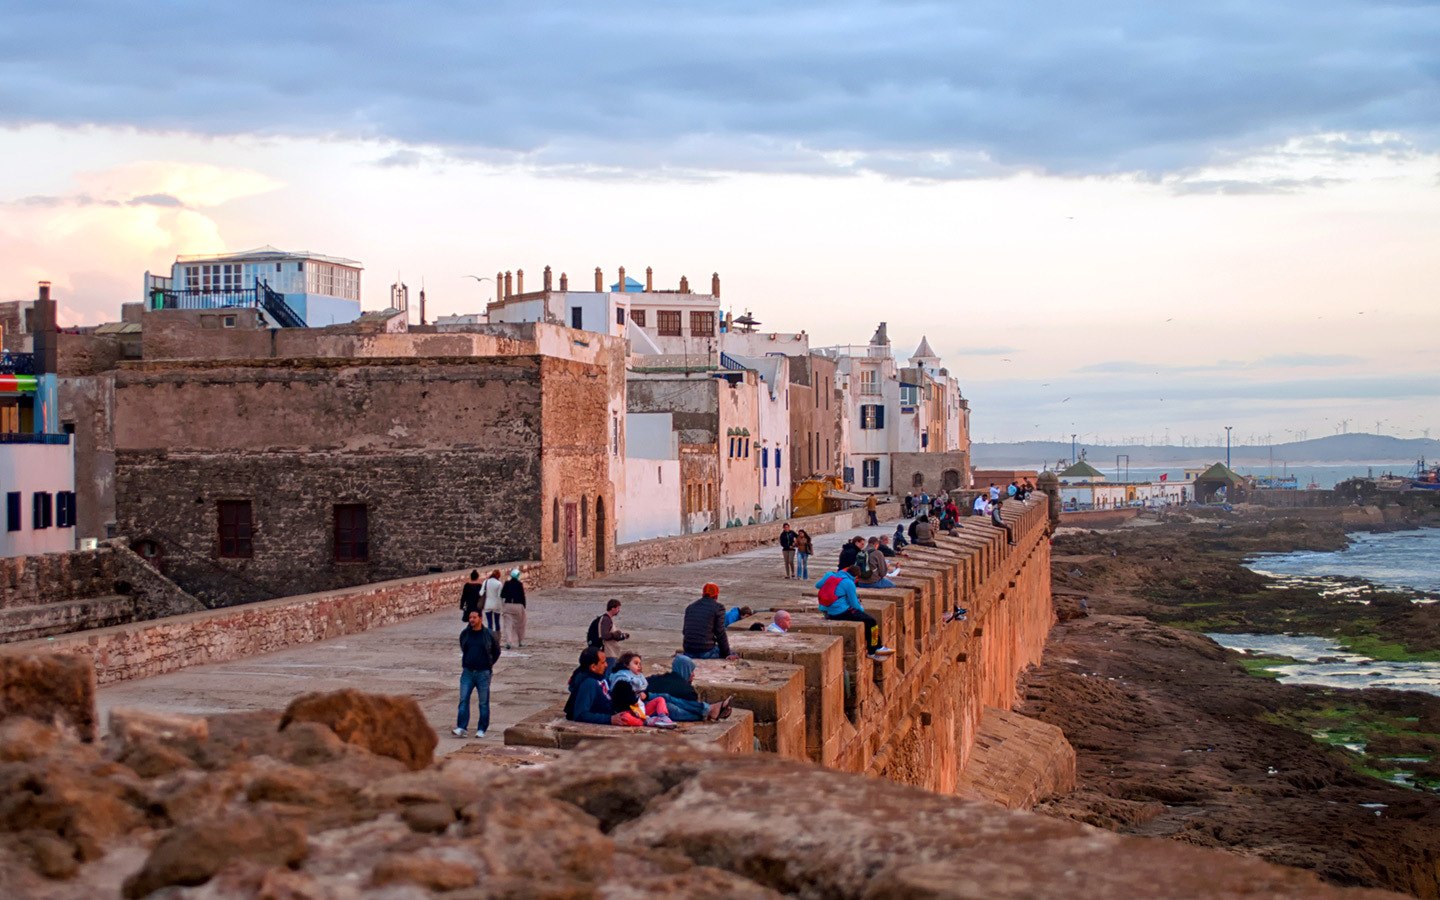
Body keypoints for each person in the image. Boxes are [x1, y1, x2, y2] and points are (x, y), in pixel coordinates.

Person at [814, 567, 893, 660]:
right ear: (856, 577)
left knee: (866, 621)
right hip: (839, 612)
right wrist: (862, 611)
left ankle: (875, 647)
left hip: (827, 611)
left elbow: (818, 585)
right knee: (871, 621)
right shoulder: (849, 583)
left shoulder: (830, 575)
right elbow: (854, 604)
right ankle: (874, 650)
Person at [453, 609, 501, 738]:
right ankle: (462, 727)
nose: (472, 620)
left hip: (483, 673)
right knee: (463, 700)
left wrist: (488, 664)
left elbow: (496, 652)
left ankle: (482, 728)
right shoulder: (465, 634)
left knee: (483, 702)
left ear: (480, 618)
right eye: (470, 617)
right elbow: (464, 647)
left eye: (474, 617)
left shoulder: (488, 635)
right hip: (468, 672)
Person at [648, 654, 730, 722]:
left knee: (668, 705)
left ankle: (710, 710)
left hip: (648, 702)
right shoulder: (686, 689)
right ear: (685, 670)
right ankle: (709, 711)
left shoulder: (659, 678)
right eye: (691, 671)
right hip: (642, 707)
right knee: (669, 706)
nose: (693, 675)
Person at [607, 652, 677, 727]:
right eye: (636, 663)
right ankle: (647, 721)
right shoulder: (622, 679)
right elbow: (627, 700)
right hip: (627, 710)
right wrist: (637, 697)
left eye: (640, 664)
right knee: (624, 717)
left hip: (640, 709)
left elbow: (644, 691)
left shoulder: (639, 677)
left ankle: (663, 717)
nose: (639, 666)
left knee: (660, 699)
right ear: (626, 665)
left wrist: (644, 694)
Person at [565, 647, 629, 726]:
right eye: (603, 662)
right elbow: (580, 714)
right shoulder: (588, 683)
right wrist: (609, 719)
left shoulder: (600, 676)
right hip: (610, 714)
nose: (606, 665)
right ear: (593, 667)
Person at [682, 583, 734, 660]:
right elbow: (720, 633)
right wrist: (727, 654)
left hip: (688, 650)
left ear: (703, 594)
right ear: (716, 596)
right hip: (705, 651)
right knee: (733, 653)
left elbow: (684, 631)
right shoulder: (718, 607)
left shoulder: (690, 607)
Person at [500, 568, 527, 650]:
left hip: (508, 605)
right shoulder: (519, 584)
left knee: (508, 625)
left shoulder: (507, 583)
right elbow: (522, 596)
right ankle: (520, 642)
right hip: (518, 606)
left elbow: (502, 595)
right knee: (520, 624)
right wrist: (523, 607)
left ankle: (509, 642)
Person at [481, 569, 504, 634]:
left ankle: (490, 638)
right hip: (496, 604)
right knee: (497, 622)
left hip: (487, 604)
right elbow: (500, 596)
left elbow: (481, 593)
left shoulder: (485, 582)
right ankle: (497, 638)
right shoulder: (499, 583)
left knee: (489, 623)